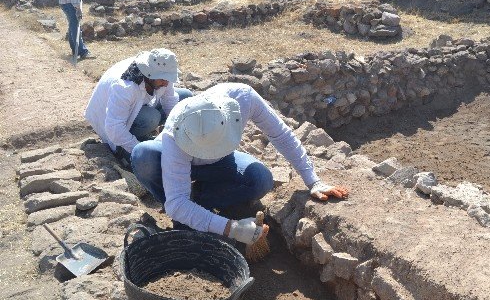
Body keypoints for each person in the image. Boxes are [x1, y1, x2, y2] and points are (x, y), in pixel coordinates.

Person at [131, 83, 349, 245]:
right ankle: (187, 217)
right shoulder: (175, 131)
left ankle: (200, 201)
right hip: (175, 162)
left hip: (221, 162)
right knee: (143, 156)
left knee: (261, 180)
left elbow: (281, 135)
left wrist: (313, 180)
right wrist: (231, 228)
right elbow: (176, 203)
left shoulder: (243, 98)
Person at [84, 48, 193, 164]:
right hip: (108, 121)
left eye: (168, 78)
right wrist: (138, 149)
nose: (166, 83)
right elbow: (114, 128)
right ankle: (132, 144)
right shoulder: (125, 87)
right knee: (151, 118)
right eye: (163, 79)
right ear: (149, 74)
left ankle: (153, 135)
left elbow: (170, 99)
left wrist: (173, 130)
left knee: (185, 97)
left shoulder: (161, 72)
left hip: (138, 106)